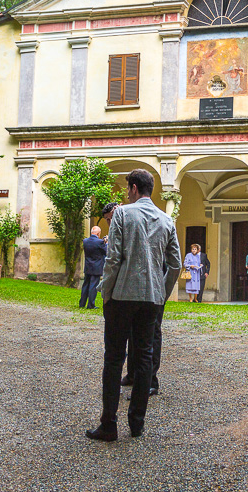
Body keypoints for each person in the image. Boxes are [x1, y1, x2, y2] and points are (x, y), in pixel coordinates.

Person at [87, 169, 181, 442]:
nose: (127, 193)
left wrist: (106, 292)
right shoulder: (167, 220)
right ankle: (137, 424)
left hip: (122, 296)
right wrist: (161, 293)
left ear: (134, 188)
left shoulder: (123, 214)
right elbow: (174, 264)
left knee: (114, 359)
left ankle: (109, 425)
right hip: (151, 298)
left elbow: (113, 258)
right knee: (143, 360)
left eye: (128, 188)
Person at [80, 226, 107, 309]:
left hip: (88, 266)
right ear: (98, 233)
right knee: (93, 286)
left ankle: (82, 303)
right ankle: (91, 304)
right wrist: (106, 243)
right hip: (97, 266)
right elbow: (106, 251)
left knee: (85, 285)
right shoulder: (100, 242)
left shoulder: (85, 241)